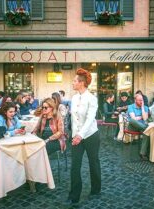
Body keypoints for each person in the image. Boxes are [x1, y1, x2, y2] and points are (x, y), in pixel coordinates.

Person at [67, 68, 101, 205]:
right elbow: (74, 119)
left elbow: (89, 119)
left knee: (94, 163)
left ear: (81, 83)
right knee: (75, 166)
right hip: (76, 137)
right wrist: (74, 135)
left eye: (74, 81)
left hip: (91, 135)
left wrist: (80, 135)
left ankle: (96, 190)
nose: (72, 83)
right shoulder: (74, 98)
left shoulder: (92, 98)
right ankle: (74, 195)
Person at [127, 94, 149, 160]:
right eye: (139, 100)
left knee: (146, 133)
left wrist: (142, 108)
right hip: (133, 126)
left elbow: (145, 119)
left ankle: (142, 153)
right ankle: (147, 128)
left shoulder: (145, 107)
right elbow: (133, 119)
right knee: (132, 120)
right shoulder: (130, 106)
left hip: (142, 127)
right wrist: (140, 117)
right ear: (135, 100)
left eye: (142, 100)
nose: (141, 101)